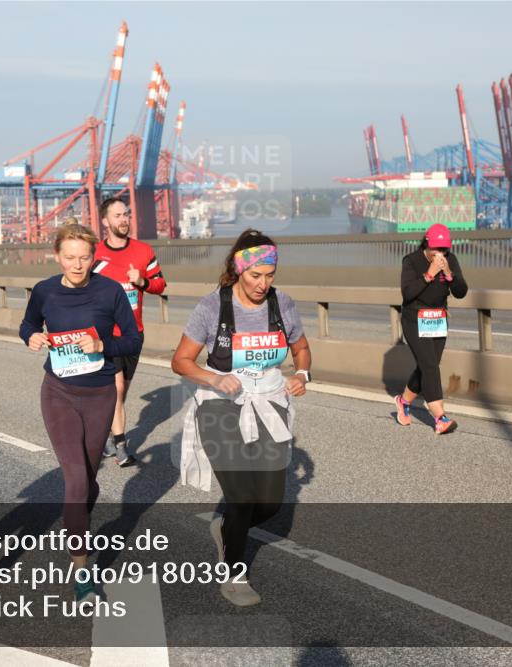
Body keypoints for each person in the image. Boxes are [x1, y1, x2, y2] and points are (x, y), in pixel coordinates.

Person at [171, 229, 312, 607]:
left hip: (269, 405)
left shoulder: (282, 305)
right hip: (220, 408)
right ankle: (234, 573)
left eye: (269, 275)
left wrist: (302, 375)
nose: (263, 284)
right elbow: (180, 361)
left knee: (269, 504)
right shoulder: (213, 307)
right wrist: (215, 377)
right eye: (255, 276)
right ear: (238, 271)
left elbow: (301, 347)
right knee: (242, 496)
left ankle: (227, 528)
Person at [19, 223, 141, 603]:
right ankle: (82, 568)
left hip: (100, 393)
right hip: (58, 392)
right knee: (74, 480)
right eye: (70, 257)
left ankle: (81, 512)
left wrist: (102, 344)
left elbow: (134, 339)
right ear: (57, 256)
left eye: (84, 257)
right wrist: (31, 336)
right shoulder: (44, 290)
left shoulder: (110, 291)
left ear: (94, 257)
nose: (77, 264)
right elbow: (28, 323)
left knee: (86, 480)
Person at [92, 198, 167, 467]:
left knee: (120, 394)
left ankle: (108, 437)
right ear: (105, 221)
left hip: (134, 332)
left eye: (126, 214)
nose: (124, 220)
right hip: (105, 335)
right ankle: (122, 445)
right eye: (117, 215)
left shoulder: (143, 251)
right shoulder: (95, 254)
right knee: (117, 386)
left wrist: (142, 281)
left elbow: (160, 285)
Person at [395, 223, 468, 434]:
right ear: (427, 245)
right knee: (429, 366)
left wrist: (449, 273)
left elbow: (461, 291)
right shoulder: (411, 261)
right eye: (437, 249)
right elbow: (407, 293)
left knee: (428, 365)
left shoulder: (450, 260)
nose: (441, 253)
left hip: (438, 320)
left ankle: (404, 401)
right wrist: (430, 274)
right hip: (414, 319)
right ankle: (440, 417)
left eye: (444, 249)